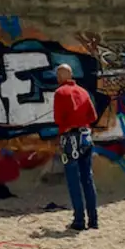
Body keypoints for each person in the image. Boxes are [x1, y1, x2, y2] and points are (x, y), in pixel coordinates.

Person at [52, 64, 99, 231]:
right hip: (86, 137)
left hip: (70, 139)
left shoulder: (59, 93)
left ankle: (79, 220)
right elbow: (93, 116)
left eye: (57, 75)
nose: (56, 78)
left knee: (74, 180)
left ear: (62, 76)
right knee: (87, 178)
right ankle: (93, 220)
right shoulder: (84, 92)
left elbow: (58, 119)